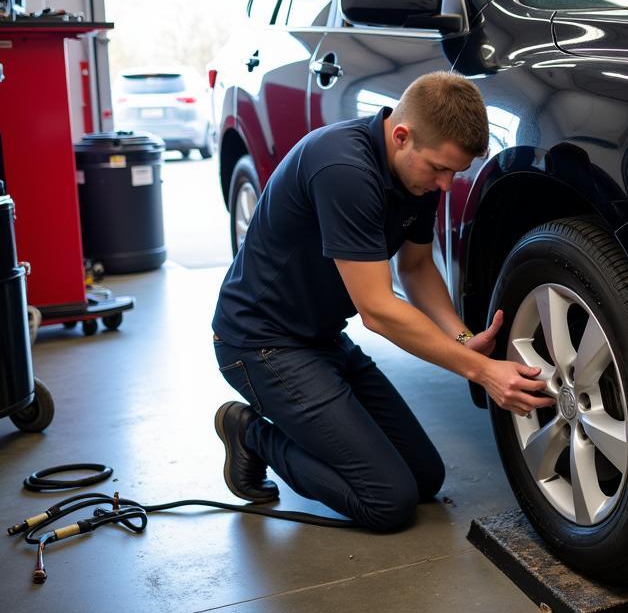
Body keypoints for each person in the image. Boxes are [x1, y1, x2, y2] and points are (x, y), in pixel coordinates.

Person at [211, 71, 552, 531]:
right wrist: (482, 370)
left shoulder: (418, 174)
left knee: (424, 477)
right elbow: (377, 311)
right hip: (260, 345)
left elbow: (415, 268)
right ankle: (250, 434)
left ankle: (295, 427)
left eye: (455, 172)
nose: (447, 185)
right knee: (387, 501)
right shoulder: (344, 170)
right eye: (439, 168)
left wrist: (461, 336)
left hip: (322, 341)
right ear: (401, 135)